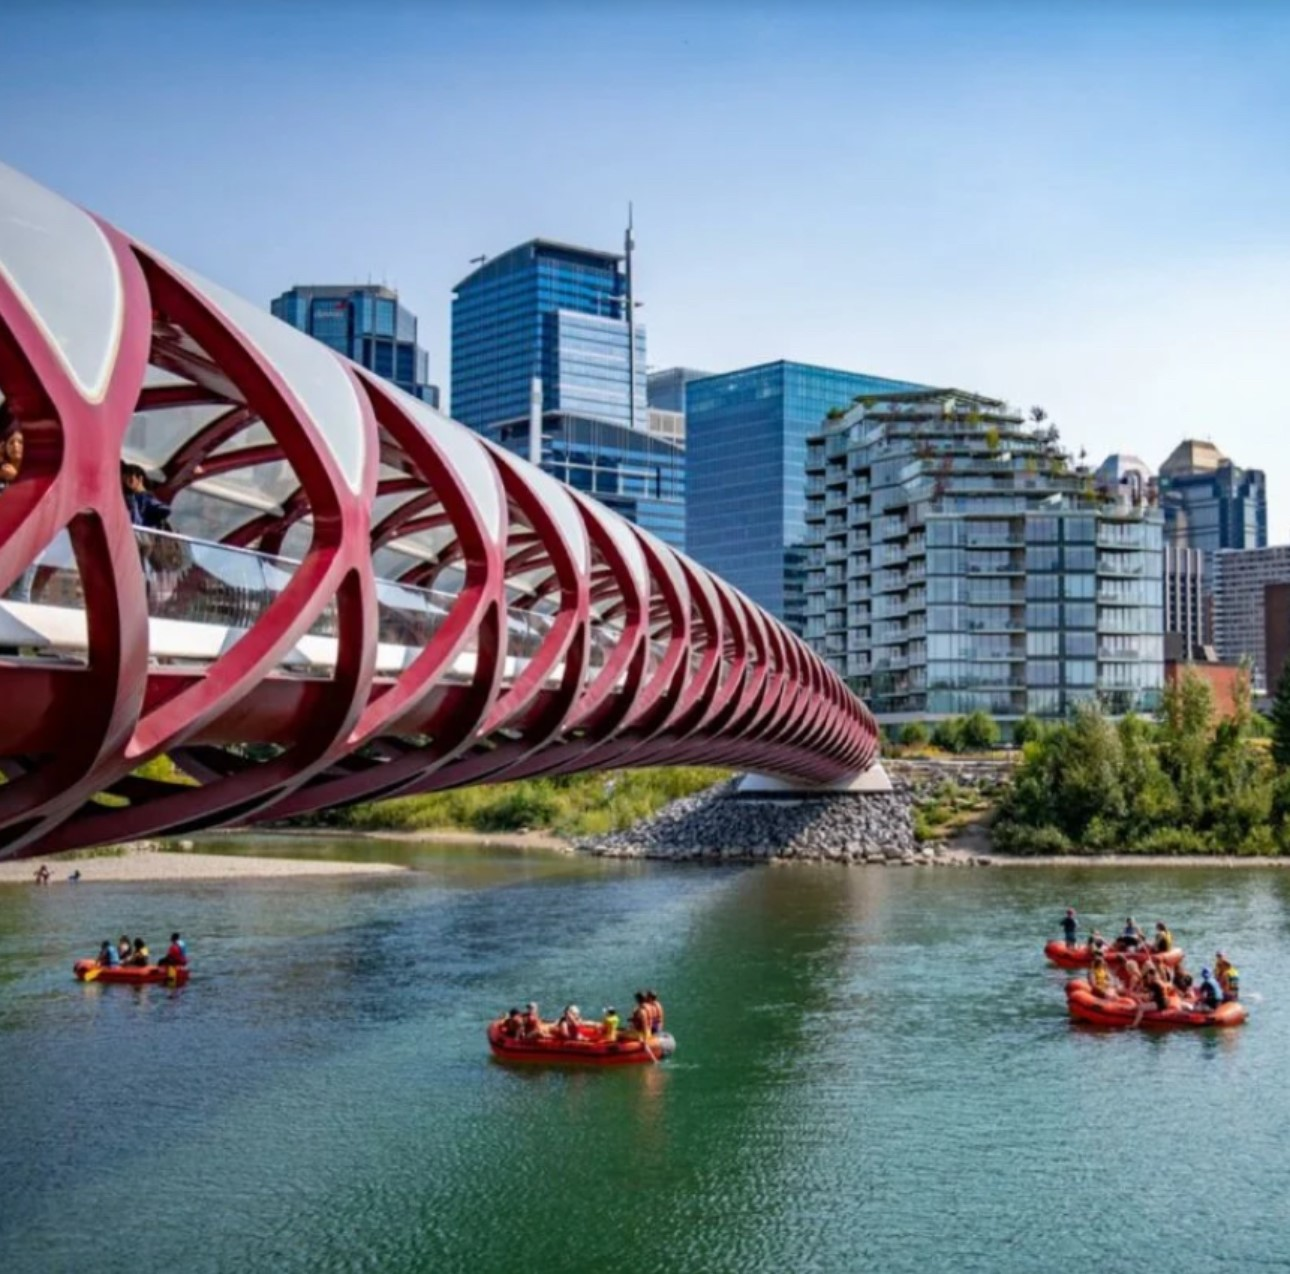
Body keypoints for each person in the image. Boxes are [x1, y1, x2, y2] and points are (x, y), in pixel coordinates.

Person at [121, 464, 172, 530]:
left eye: (130, 479)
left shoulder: (147, 498)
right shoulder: (128, 497)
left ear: (140, 479)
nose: (127, 483)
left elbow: (165, 510)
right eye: (125, 480)